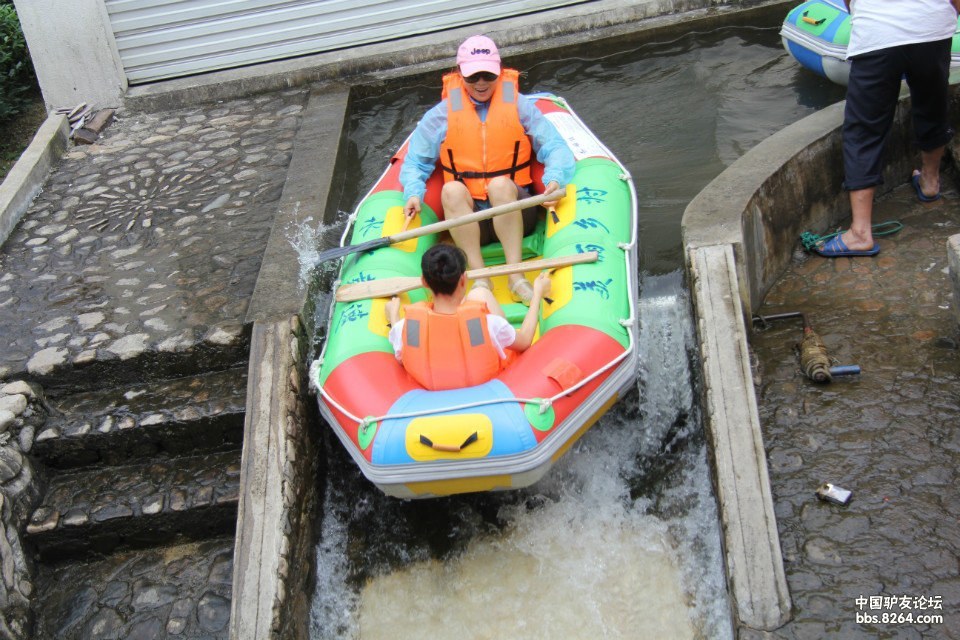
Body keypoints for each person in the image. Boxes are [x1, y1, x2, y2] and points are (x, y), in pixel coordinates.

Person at [399, 35, 575, 302]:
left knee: (500, 184)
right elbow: (416, 161)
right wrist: (413, 192)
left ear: (499, 71)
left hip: (514, 211)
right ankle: (480, 277)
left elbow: (555, 146)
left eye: (488, 75)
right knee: (451, 190)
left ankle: (516, 277)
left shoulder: (518, 104)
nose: (481, 83)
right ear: (460, 73)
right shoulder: (441, 114)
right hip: (471, 221)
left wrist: (554, 178)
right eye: (473, 76)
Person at [817, 0, 960, 257]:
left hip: (878, 31)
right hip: (932, 26)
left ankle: (860, 232)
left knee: (864, 128)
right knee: (932, 107)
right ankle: (930, 182)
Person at [385, 244, 551, 391]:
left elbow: (402, 356)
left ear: (424, 282)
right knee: (480, 294)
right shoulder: (488, 324)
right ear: (463, 280)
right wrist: (537, 293)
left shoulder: (406, 327)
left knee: (478, 294)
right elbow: (525, 341)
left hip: (435, 391)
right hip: (490, 384)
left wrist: (394, 315)